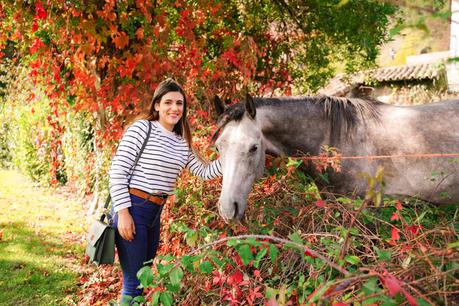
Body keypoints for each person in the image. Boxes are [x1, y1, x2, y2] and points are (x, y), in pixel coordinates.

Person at [109, 78, 222, 302]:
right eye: (168, 102)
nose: (174, 108)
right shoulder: (143, 129)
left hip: (154, 214)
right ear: (157, 105)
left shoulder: (181, 141)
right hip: (133, 208)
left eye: (179, 103)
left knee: (145, 279)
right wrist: (123, 213)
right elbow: (117, 172)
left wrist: (235, 154)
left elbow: (205, 172)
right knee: (133, 284)